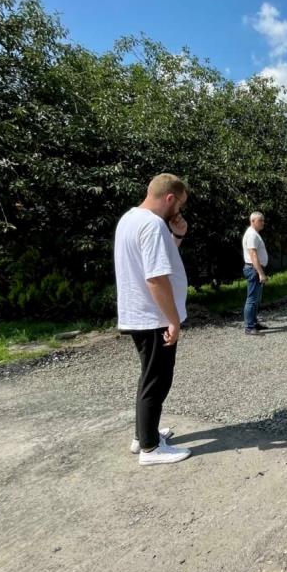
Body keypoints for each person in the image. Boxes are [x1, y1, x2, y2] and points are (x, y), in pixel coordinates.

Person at [114, 173, 192, 465]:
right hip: (153, 316)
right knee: (158, 380)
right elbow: (156, 277)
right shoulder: (153, 224)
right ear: (170, 198)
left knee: (150, 377)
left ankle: (143, 435)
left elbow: (159, 259)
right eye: (180, 204)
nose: (180, 210)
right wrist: (173, 319)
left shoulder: (130, 219)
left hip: (140, 314)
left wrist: (178, 236)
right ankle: (150, 449)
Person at [242, 211, 269, 335]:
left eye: (263, 220)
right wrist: (261, 273)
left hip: (255, 269)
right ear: (253, 221)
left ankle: (254, 322)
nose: (263, 223)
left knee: (256, 299)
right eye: (260, 220)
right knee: (252, 299)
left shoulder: (254, 233)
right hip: (253, 269)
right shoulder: (252, 234)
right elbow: (253, 254)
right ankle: (249, 327)